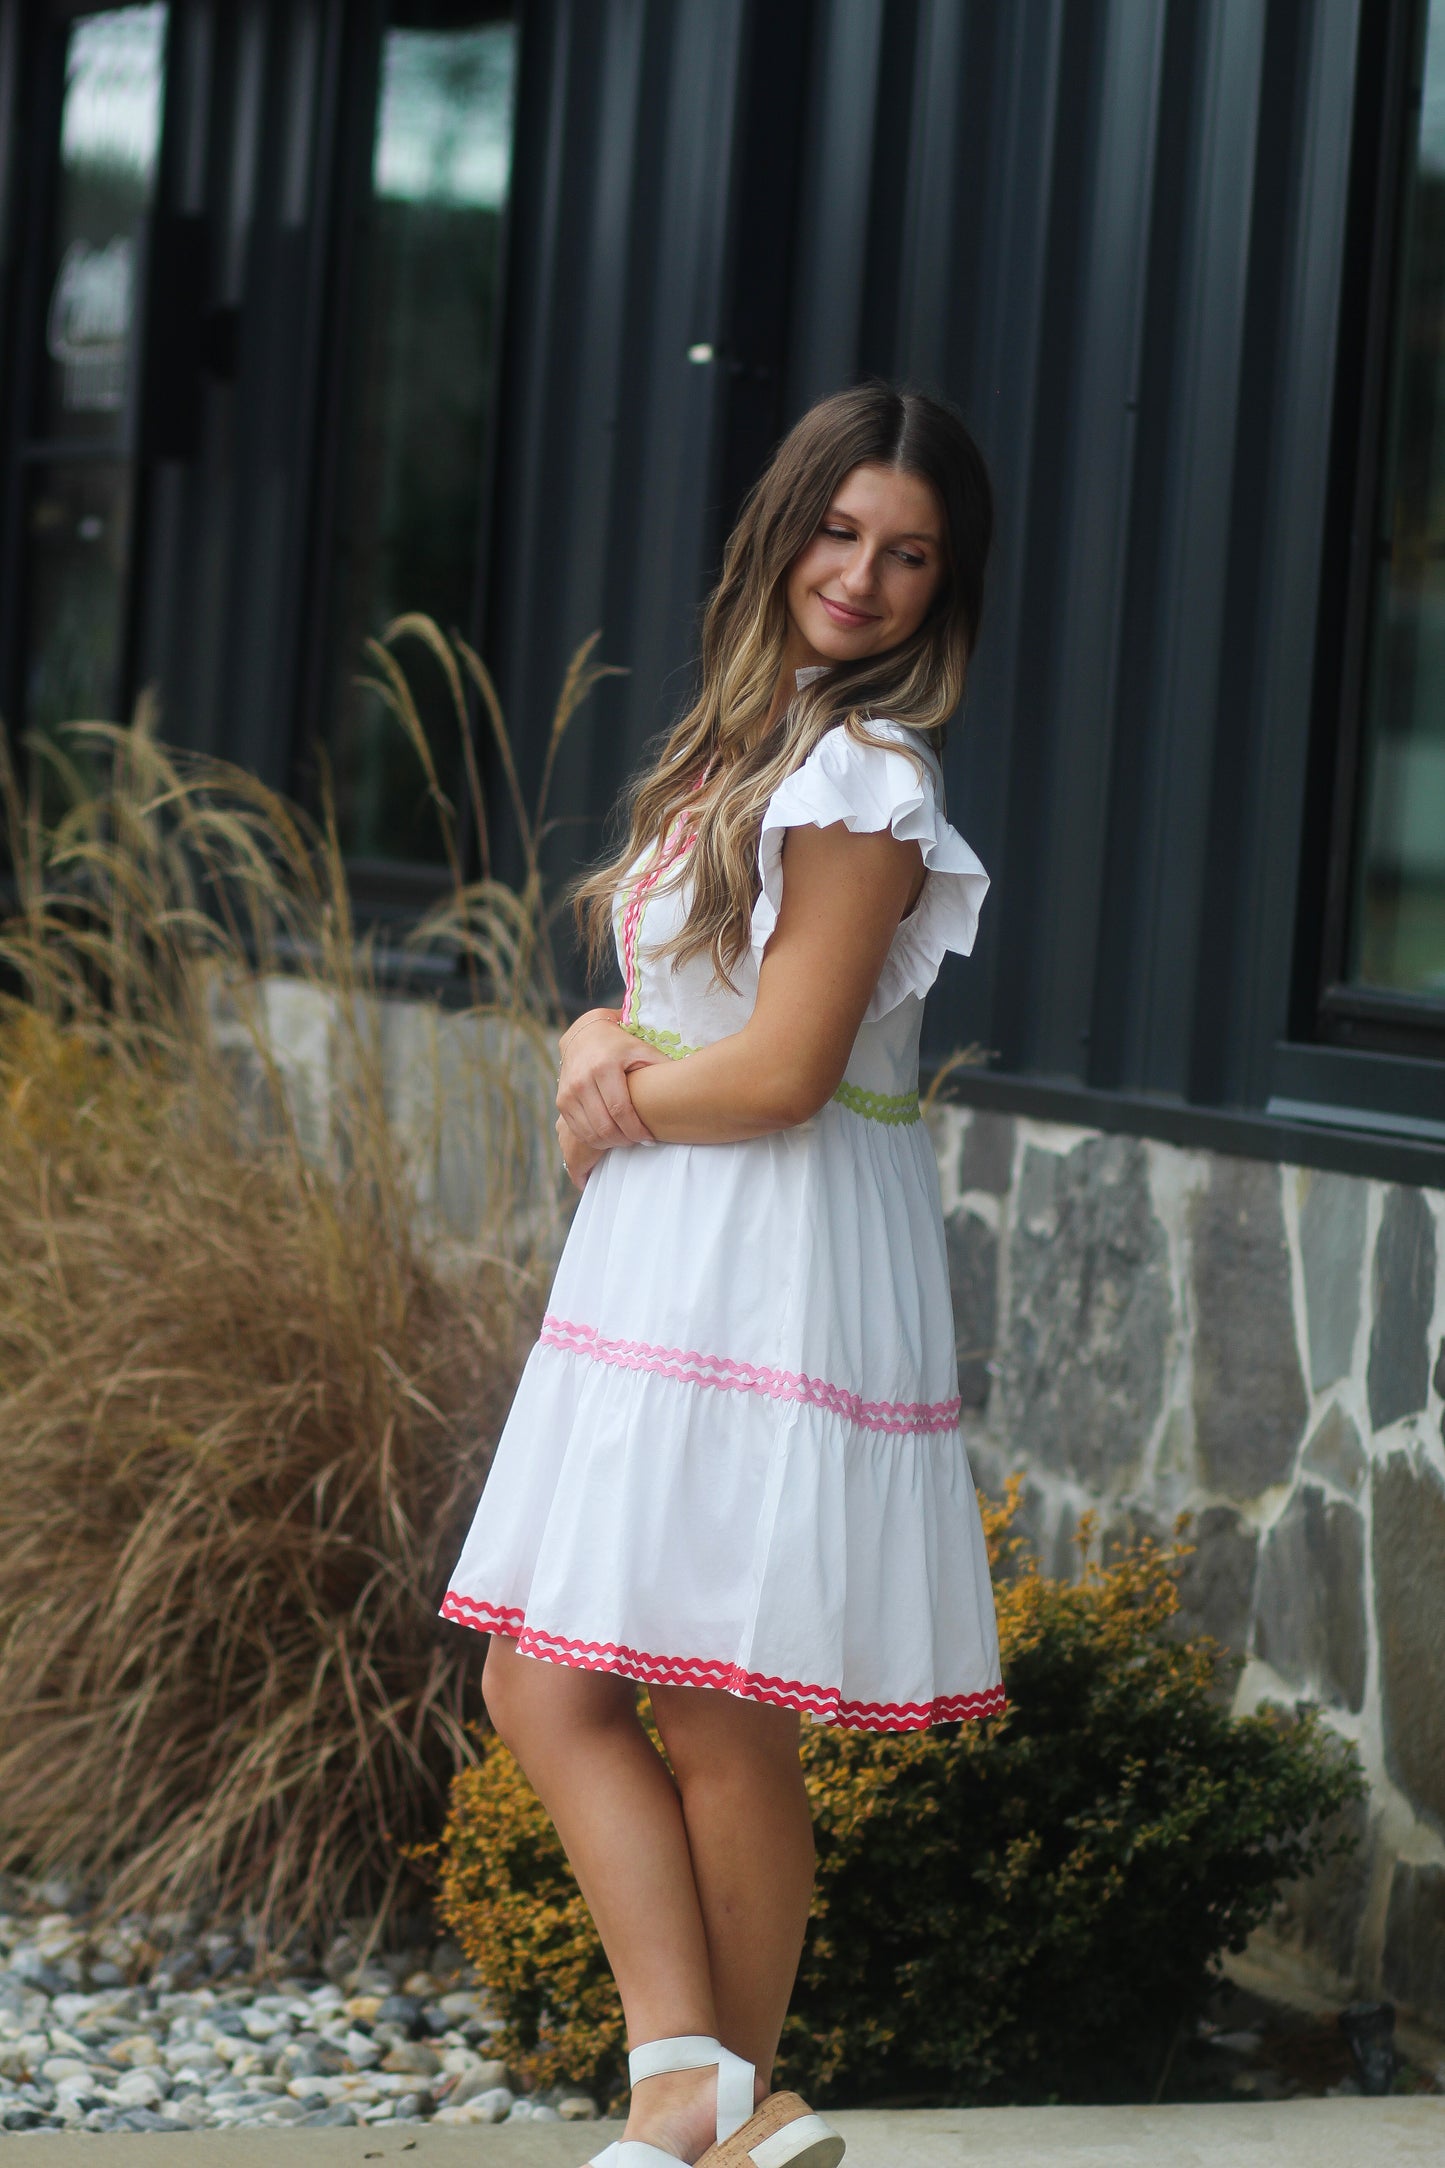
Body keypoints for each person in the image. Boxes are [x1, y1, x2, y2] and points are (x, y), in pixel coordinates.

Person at [441, 381, 1005, 2168]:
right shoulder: (741, 750)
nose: (863, 577)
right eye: (839, 532)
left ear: (943, 588)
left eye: (907, 554)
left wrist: (613, 1085)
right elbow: (692, 1015)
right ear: (780, 529)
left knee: (694, 1693)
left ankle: (703, 2098)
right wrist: (589, 1034)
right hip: (677, 1234)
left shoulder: (862, 778)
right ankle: (707, 2092)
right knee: (555, 1677)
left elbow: (777, 1070)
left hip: (760, 1240)